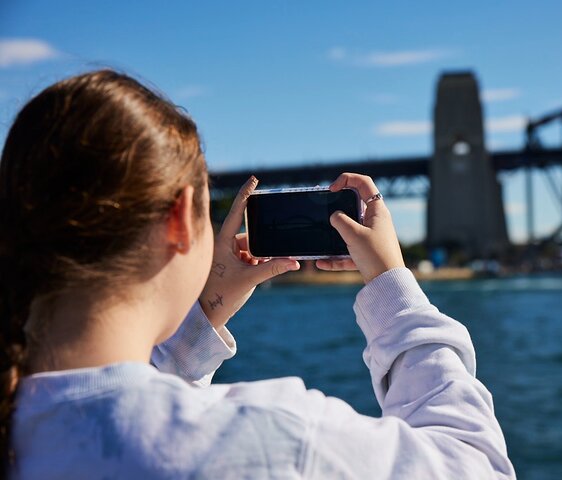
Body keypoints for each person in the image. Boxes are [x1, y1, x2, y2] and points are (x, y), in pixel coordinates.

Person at [0, 70, 515, 479]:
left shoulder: (20, 423)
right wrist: (393, 286)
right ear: (180, 220)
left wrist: (207, 310)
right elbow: (475, 465)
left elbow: (111, 412)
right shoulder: (277, 441)